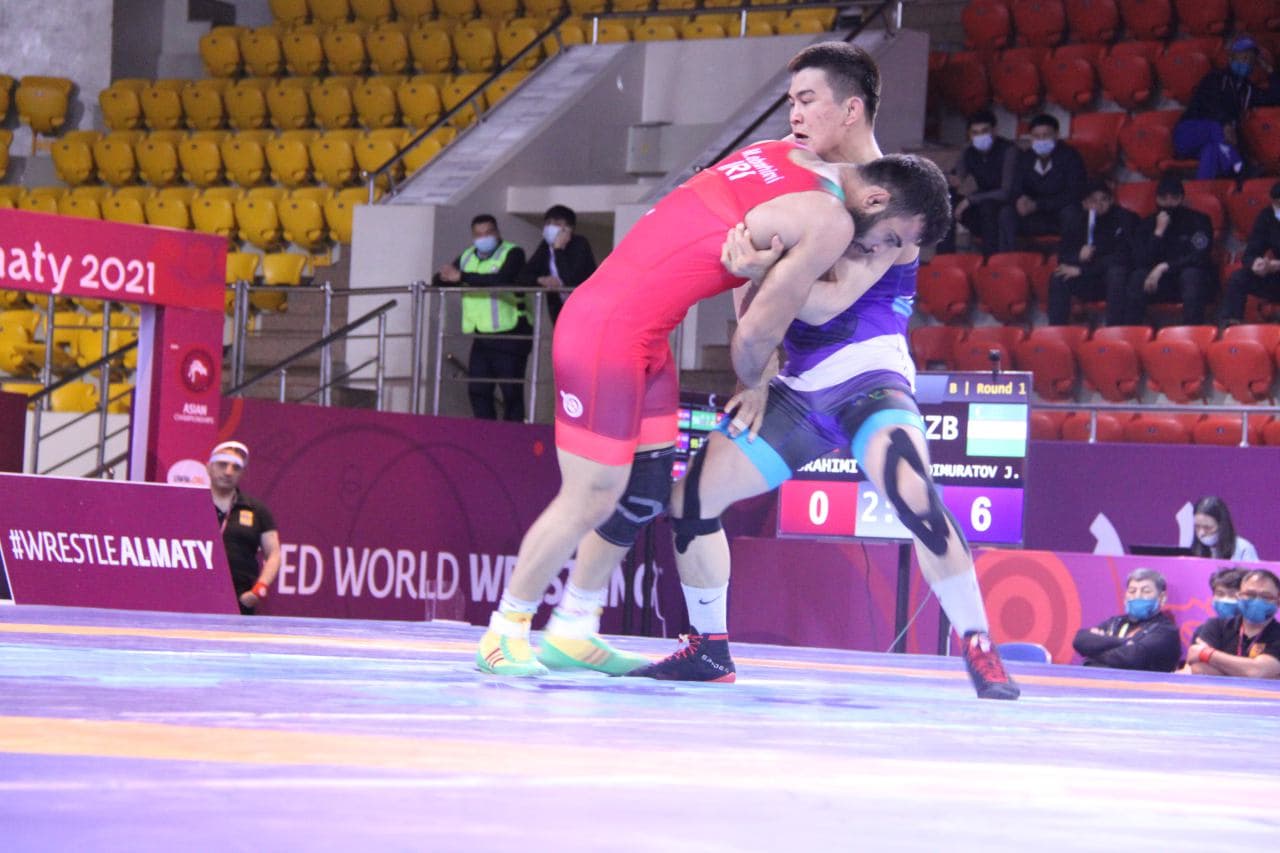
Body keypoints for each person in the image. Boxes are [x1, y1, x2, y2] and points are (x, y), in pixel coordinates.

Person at [521, 43, 1020, 700]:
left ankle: (980, 647)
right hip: (796, 389)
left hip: (869, 381)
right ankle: (708, 649)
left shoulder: (894, 196)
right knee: (689, 502)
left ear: (850, 110)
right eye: (792, 102)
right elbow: (745, 278)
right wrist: (756, 360)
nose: (794, 116)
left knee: (911, 493)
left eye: (807, 101)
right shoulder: (794, 166)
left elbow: (829, 298)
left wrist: (768, 272)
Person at [473, 138, 953, 679]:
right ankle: (505, 631)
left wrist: (765, 270)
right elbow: (771, 325)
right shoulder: (831, 219)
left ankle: (573, 628)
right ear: (876, 199)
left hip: (650, 335)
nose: (879, 250)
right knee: (592, 494)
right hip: (605, 330)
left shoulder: (778, 154)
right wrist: (757, 380)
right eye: (891, 238)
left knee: (646, 489)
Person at [433, 214, 530, 421]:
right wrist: (445, 276)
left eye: (488, 233)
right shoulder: (467, 256)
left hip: (511, 334)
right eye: (478, 234)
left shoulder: (513, 253)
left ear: (497, 232)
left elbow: (502, 279)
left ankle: (513, 436)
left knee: (511, 393)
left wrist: (462, 277)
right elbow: (442, 279)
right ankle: (486, 434)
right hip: (482, 335)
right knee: (478, 390)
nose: (484, 238)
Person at [1120, 174, 1215, 325]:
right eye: (1163, 198)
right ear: (1157, 199)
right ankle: (1131, 331)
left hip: (1191, 281)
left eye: (1174, 198)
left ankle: (1192, 331)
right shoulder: (1147, 224)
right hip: (1159, 283)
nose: (1168, 203)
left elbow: (1200, 256)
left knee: (1191, 275)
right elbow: (1140, 259)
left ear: (1182, 199)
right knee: (1138, 277)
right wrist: (1158, 233)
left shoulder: (1199, 220)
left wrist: (1165, 267)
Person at [1047, 179, 1140, 326]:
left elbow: (1123, 257)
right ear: (1084, 203)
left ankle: (1114, 329)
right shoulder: (1076, 221)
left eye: (1104, 199)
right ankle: (1057, 330)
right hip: (1089, 280)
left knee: (1116, 273)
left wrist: (1082, 270)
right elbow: (1063, 256)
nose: (1099, 204)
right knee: (1058, 276)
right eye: (1093, 200)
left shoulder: (1125, 218)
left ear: (1111, 200)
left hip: (1113, 280)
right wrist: (1078, 256)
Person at [208, 440, 280, 615]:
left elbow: (274, 553)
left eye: (236, 467)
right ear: (208, 467)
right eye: (222, 464)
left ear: (243, 473)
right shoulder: (192, 504)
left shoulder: (256, 510)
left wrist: (258, 589)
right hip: (195, 596)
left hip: (239, 600)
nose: (228, 472)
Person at [1172, 36, 1258, 180]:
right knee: (1217, 127)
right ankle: (1239, 167)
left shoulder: (1247, 88)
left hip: (1215, 140)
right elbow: (1210, 104)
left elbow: (1272, 97)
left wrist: (1270, 70)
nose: (1247, 63)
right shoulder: (1215, 78)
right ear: (1231, 57)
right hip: (1188, 133)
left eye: (1251, 60)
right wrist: (1225, 123)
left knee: (1211, 151)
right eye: (1244, 58)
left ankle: (1203, 190)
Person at [997, 113, 1086, 252]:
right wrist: (1019, 199)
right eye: (1036, 136)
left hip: (1057, 215)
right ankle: (1008, 259)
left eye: (1046, 135)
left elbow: (1074, 193)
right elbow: (1015, 187)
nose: (1041, 140)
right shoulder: (1025, 157)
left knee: (1072, 212)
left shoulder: (1070, 156)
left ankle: (1070, 258)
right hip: (1032, 216)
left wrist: (1038, 205)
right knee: (1006, 212)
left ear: (1056, 135)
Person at [1071, 568, 1181, 672]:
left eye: (1146, 591)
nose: (1137, 596)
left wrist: (1093, 651)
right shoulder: (1116, 622)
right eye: (1132, 591)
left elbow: (1132, 657)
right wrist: (1123, 642)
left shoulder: (1166, 630)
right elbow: (1080, 640)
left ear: (1162, 598)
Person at [943, 108, 1016, 255]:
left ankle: (990, 259)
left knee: (987, 206)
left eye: (984, 131)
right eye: (975, 133)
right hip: (980, 201)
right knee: (946, 199)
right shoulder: (969, 151)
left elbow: (1006, 192)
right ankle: (945, 256)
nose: (980, 136)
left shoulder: (1009, 150)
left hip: (1004, 203)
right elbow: (957, 178)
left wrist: (970, 200)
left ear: (994, 131)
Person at [1184, 568, 1280, 679]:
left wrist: (1207, 654)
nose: (1257, 601)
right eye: (1250, 594)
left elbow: (1257, 671)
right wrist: (1250, 672)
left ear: (1278, 601)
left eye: (1266, 596)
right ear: (1239, 596)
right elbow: (1199, 668)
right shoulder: (1216, 626)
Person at [518, 204, 597, 325]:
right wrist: (540, 280)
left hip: (585, 309)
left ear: (569, 229)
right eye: (548, 223)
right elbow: (522, 276)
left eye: (557, 224)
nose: (551, 227)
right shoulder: (545, 246)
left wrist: (558, 249)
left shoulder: (580, 244)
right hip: (558, 310)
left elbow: (570, 279)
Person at [1219, 181, 1280, 326]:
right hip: (1276, 277)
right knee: (1239, 278)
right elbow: (1251, 252)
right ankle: (1231, 326)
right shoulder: (1267, 216)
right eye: (1276, 204)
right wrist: (1256, 263)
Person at [1190, 495, 1258, 561]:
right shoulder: (1192, 550)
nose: (1201, 533)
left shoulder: (1243, 549)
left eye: (1207, 527)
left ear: (1222, 526)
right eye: (1197, 526)